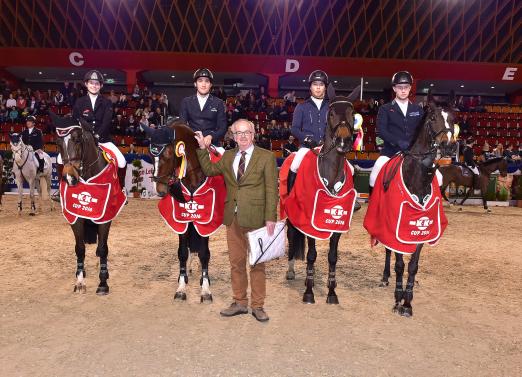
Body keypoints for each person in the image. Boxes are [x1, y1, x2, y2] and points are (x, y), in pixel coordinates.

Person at [194, 119, 278, 322]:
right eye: (238, 133)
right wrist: (203, 149)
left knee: (257, 264)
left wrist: (270, 218)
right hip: (232, 218)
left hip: (257, 218)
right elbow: (209, 170)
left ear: (253, 134)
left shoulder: (266, 157)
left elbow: (271, 190)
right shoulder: (229, 156)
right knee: (236, 263)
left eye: (246, 132)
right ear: (233, 136)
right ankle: (240, 302)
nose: (242, 136)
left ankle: (258, 306)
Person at [369, 71, 427, 192]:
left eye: (406, 87)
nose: (403, 90)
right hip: (390, 152)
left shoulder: (418, 110)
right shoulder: (385, 109)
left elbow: (422, 131)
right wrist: (398, 141)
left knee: (438, 177)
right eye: (400, 87)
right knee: (373, 176)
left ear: (410, 88)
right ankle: (373, 204)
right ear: (394, 88)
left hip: (414, 154)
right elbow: (382, 131)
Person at [70, 70, 127, 189]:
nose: (94, 86)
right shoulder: (79, 102)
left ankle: (121, 188)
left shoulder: (107, 102)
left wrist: (97, 136)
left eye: (97, 84)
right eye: (91, 83)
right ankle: (63, 188)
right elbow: (77, 119)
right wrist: (88, 134)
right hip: (83, 140)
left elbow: (106, 121)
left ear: (101, 86)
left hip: (103, 139)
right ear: (86, 84)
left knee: (122, 162)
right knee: (61, 159)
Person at [179, 68, 227, 148]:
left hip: (212, 144)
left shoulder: (218, 103)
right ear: (195, 84)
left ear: (211, 85)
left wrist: (211, 136)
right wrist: (193, 136)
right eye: (200, 81)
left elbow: (222, 127)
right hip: (192, 143)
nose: (203, 84)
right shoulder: (186, 102)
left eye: (207, 81)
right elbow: (182, 125)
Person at [291, 70, 329, 148]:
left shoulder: (331, 106)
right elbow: (294, 129)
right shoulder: (301, 106)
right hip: (306, 147)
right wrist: (306, 139)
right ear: (310, 87)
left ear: (325, 87)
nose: (318, 87)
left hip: (327, 148)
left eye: (321, 84)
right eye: (315, 84)